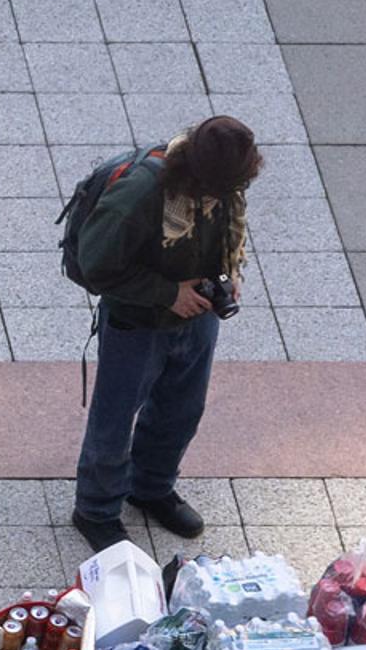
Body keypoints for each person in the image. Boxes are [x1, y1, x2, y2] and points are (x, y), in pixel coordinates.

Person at [65, 116, 261, 557]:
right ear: (198, 172)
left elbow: (223, 238)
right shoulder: (139, 194)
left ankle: (151, 486)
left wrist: (227, 278)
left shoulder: (223, 187)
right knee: (114, 420)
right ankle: (95, 510)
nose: (229, 195)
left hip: (197, 314)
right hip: (136, 322)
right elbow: (97, 268)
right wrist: (169, 293)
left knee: (183, 407)